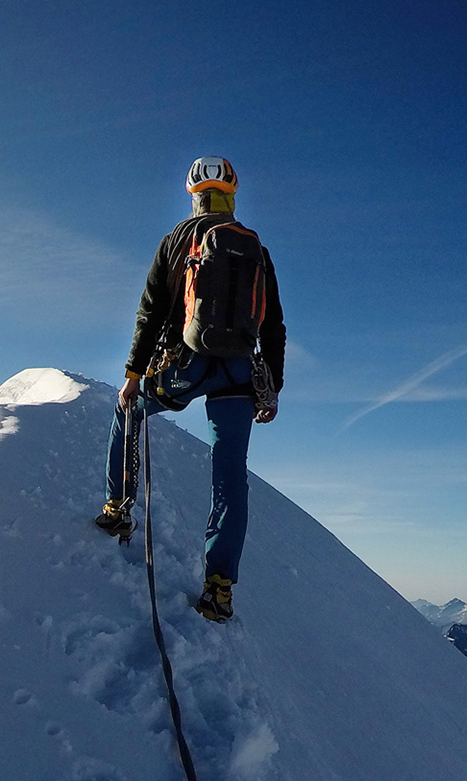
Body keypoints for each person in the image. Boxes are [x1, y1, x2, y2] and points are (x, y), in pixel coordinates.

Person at [94, 155, 285, 622]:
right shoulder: (256, 250)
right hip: (240, 372)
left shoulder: (176, 240)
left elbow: (151, 311)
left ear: (193, 195)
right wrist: (272, 386)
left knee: (131, 412)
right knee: (230, 474)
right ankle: (219, 588)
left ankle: (118, 507)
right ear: (232, 195)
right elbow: (274, 325)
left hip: (187, 364)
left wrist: (134, 375)